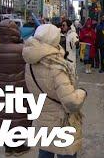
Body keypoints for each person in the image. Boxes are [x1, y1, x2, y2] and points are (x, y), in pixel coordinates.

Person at [22, 24, 87, 158]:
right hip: (61, 122)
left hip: (42, 118)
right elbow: (71, 101)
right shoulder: (56, 66)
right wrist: (82, 92)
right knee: (65, 153)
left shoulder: (30, 62)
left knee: (46, 151)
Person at [0, 19, 31, 156]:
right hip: (19, 87)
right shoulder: (22, 50)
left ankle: (8, 147)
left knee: (4, 115)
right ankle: (18, 146)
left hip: (1, 88)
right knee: (19, 115)